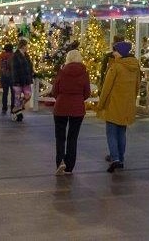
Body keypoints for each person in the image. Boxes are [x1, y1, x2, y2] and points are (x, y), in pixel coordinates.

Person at [97, 41, 140, 173]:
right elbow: (137, 86)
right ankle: (120, 159)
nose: (113, 53)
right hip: (126, 105)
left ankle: (114, 158)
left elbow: (106, 87)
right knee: (122, 132)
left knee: (111, 133)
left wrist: (101, 104)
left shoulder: (116, 67)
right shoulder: (135, 66)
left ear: (120, 52)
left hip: (113, 104)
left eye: (115, 51)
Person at [51, 48, 91, 175]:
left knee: (60, 137)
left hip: (61, 107)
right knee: (73, 138)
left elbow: (55, 91)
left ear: (68, 58)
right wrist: (78, 98)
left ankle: (60, 161)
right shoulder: (84, 73)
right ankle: (69, 167)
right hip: (77, 109)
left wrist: (61, 98)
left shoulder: (62, 72)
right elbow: (87, 93)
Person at [10, 39, 35, 122]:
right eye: (27, 45)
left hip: (26, 80)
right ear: (23, 46)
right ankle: (17, 114)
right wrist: (16, 80)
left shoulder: (26, 55)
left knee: (28, 95)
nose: (28, 47)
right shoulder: (15, 55)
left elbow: (29, 66)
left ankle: (17, 109)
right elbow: (14, 69)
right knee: (17, 98)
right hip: (17, 80)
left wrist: (32, 73)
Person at [0, 43, 15, 115]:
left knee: (5, 93)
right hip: (12, 77)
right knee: (13, 93)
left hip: (4, 76)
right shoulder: (13, 56)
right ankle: (12, 108)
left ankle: (4, 108)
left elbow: (0, 66)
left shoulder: (1, 56)